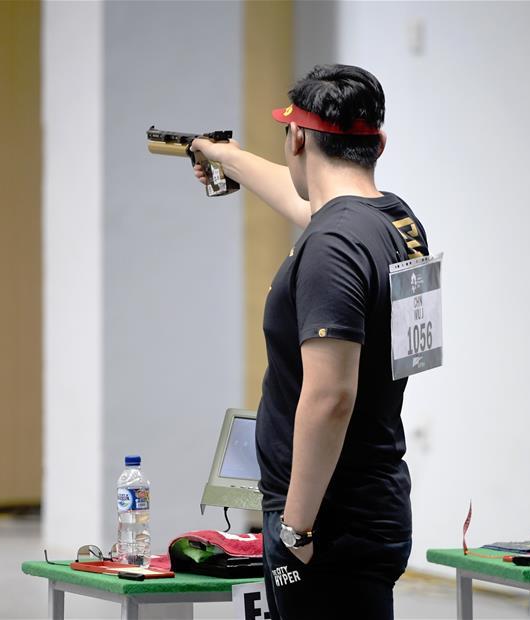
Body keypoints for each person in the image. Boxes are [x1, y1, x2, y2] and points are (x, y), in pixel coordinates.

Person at [190, 64, 429, 620]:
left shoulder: (332, 245)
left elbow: (330, 397)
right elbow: (313, 207)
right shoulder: (393, 222)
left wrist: (296, 526)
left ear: (297, 137)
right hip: (370, 502)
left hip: (325, 524)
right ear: (378, 145)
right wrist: (226, 157)